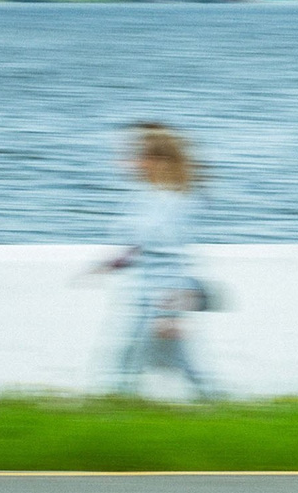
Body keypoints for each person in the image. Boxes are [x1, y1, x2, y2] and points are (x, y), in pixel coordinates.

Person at [93, 121, 219, 401]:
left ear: (158, 161)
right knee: (174, 362)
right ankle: (217, 404)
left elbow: (172, 257)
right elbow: (140, 246)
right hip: (146, 297)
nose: (131, 162)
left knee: (131, 360)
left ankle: (115, 412)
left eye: (139, 156)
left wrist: (169, 313)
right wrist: (111, 264)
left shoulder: (175, 203)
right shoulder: (148, 197)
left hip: (161, 299)